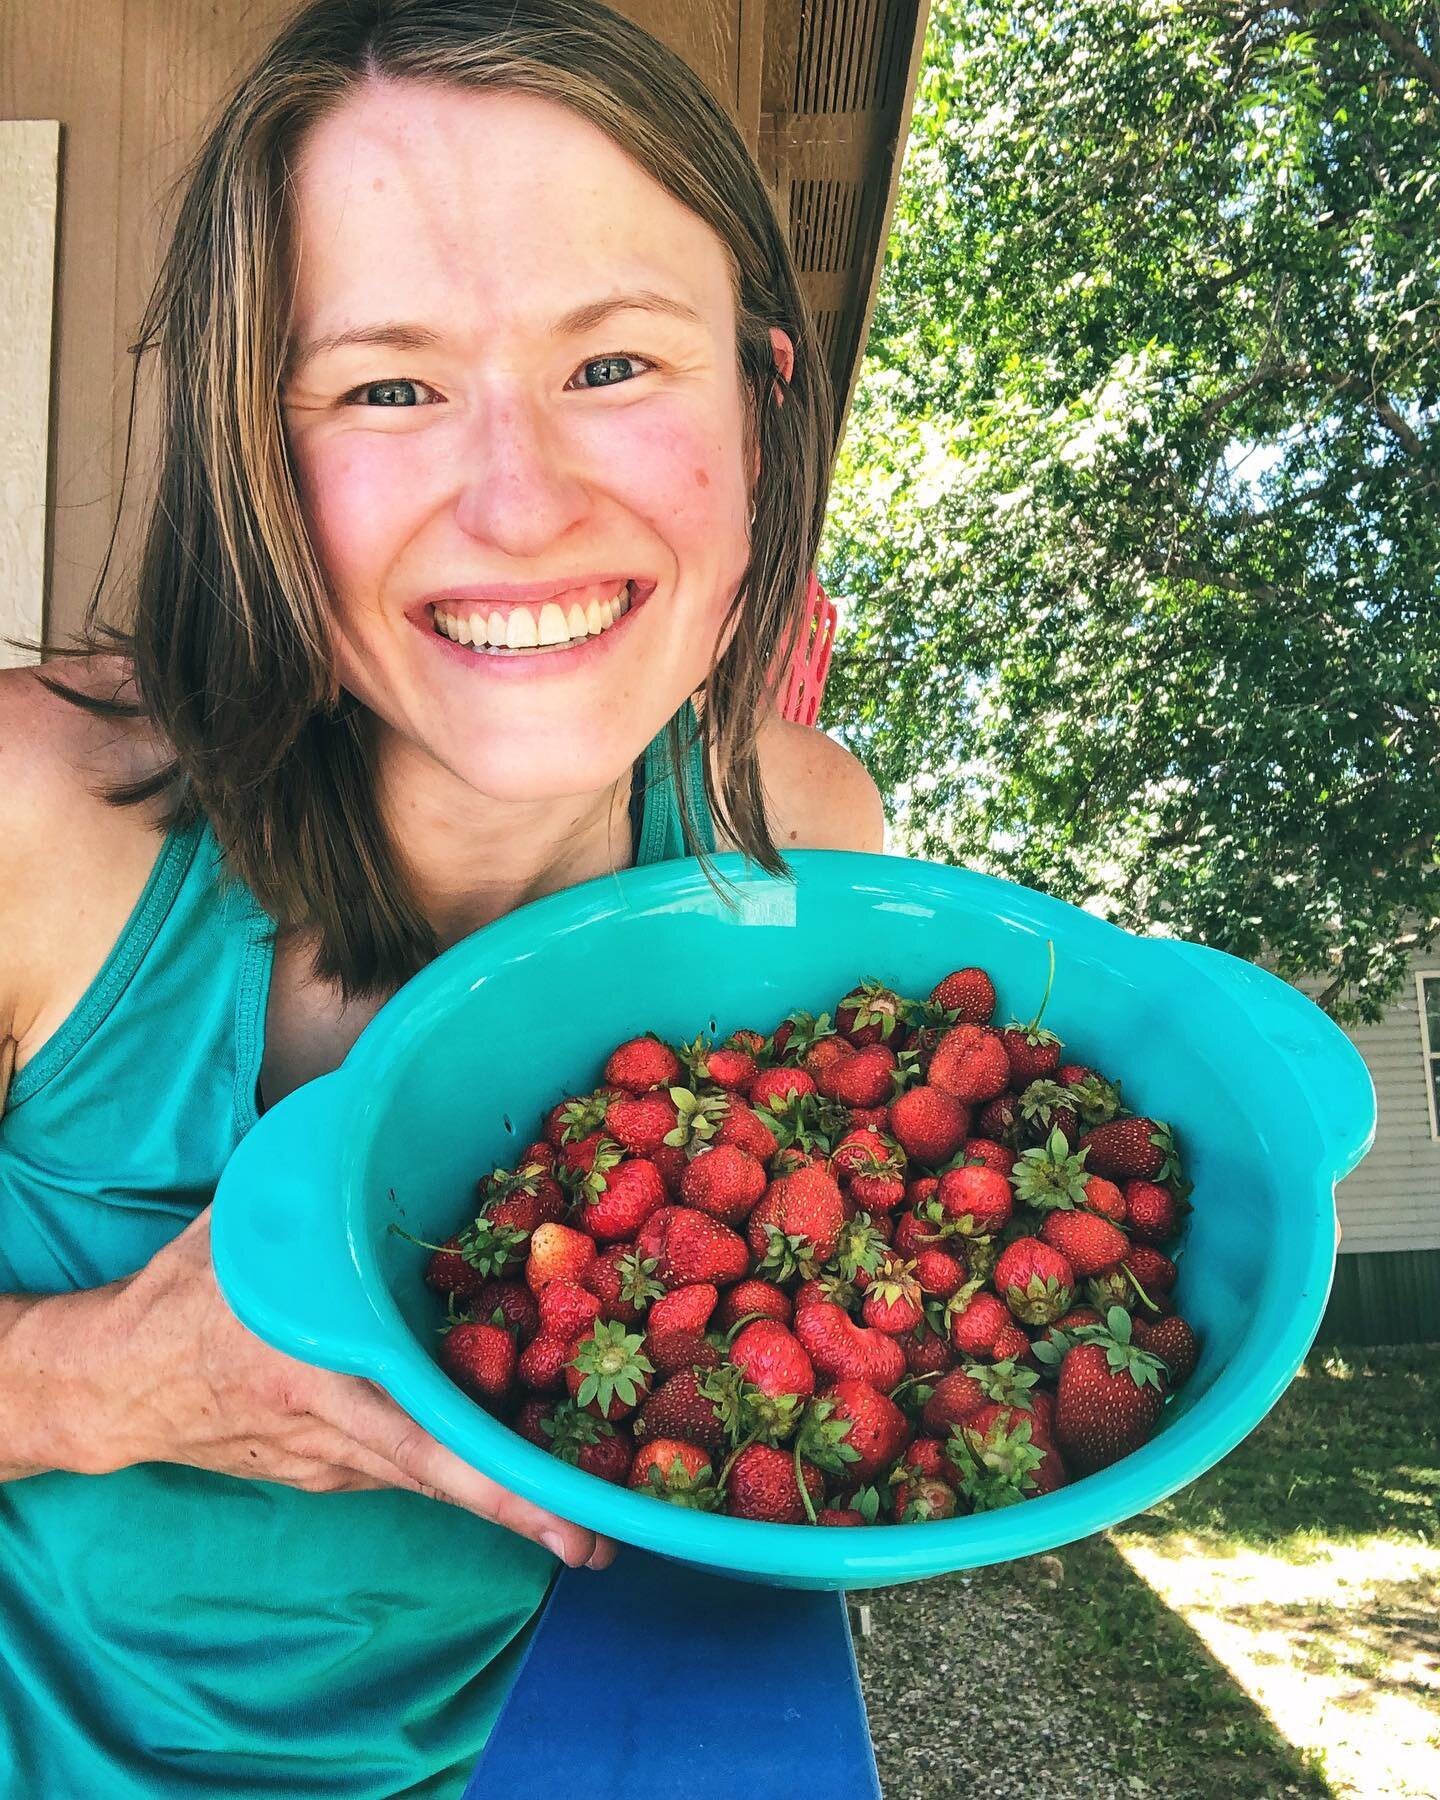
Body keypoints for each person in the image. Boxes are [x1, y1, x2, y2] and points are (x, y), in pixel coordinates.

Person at [0, 1, 885, 1794]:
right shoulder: (29, 814)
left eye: (616, 365)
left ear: (760, 399)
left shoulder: (800, 832)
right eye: (390, 385)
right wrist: (110, 1379)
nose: (519, 503)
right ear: (263, 458)